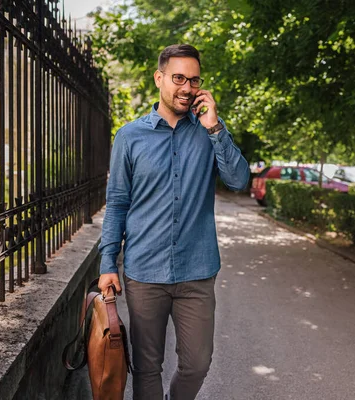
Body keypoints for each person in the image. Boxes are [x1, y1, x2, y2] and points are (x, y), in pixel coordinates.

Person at [98, 44, 250, 400]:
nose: (186, 87)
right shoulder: (129, 136)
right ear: (160, 78)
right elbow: (117, 203)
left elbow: (239, 181)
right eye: (179, 77)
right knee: (147, 368)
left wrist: (215, 128)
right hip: (145, 272)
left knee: (197, 363)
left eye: (194, 80)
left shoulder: (209, 132)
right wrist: (108, 263)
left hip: (197, 271)